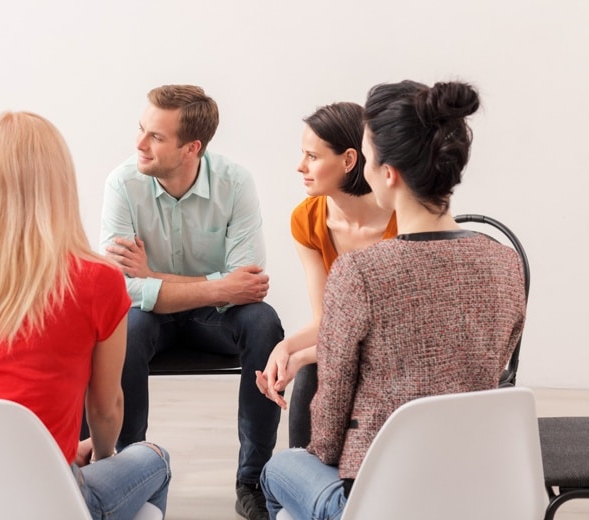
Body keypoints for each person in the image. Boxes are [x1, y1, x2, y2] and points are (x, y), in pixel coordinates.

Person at [258, 80, 526, 519]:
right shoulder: (506, 263)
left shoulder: (360, 273)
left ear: (388, 173)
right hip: (476, 488)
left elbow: (325, 436)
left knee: (280, 469)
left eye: (366, 158)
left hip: (378, 499)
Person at [0, 111, 170, 520]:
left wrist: (65, 451)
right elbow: (105, 408)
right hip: (49, 502)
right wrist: (101, 458)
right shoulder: (96, 280)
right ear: (59, 181)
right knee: (155, 457)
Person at [101, 84, 284, 520]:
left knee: (263, 323)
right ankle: (129, 471)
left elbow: (250, 281)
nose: (139, 144)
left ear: (191, 148)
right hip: (150, 320)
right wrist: (219, 287)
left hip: (214, 322)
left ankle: (252, 481)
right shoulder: (123, 183)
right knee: (125, 323)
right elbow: (118, 289)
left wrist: (153, 278)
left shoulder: (235, 182)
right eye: (141, 130)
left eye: (155, 137)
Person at [255, 102, 396, 448]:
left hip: (397, 350)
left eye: (312, 156)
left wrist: (303, 354)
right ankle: (305, 475)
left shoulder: (402, 218)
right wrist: (284, 348)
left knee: (310, 365)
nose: (300, 166)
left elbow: (389, 330)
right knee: (307, 371)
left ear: (349, 160)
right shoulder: (307, 220)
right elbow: (327, 320)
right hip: (344, 344)